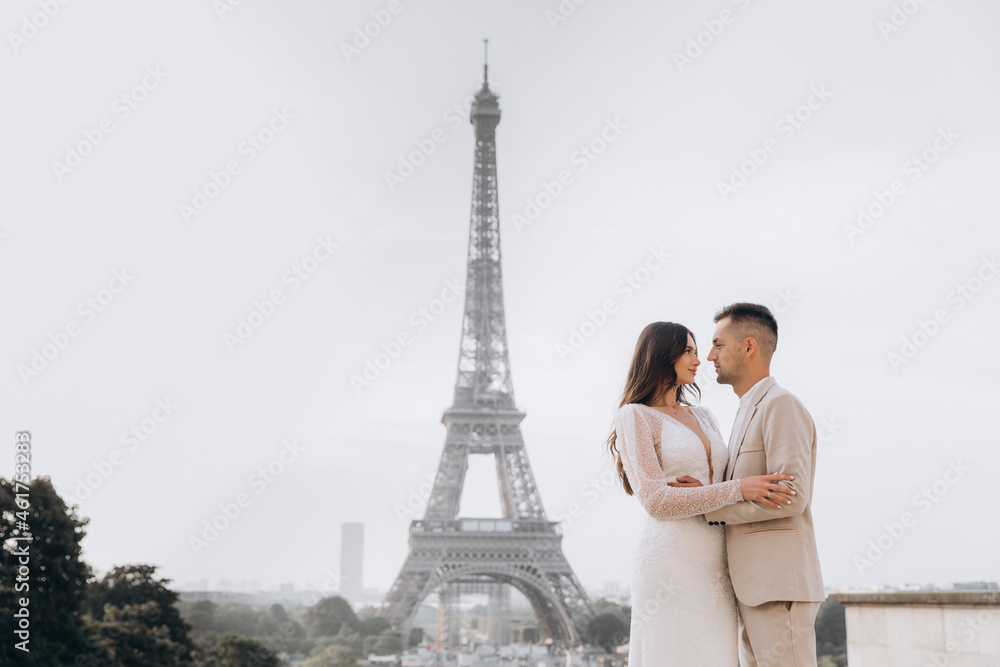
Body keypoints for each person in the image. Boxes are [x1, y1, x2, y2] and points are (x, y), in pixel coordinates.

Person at [607, 321, 795, 665]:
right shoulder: (635, 416)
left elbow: (720, 483)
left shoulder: (706, 416)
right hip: (670, 558)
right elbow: (656, 501)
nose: (700, 359)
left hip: (719, 559)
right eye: (689, 351)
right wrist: (738, 489)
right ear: (663, 355)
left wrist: (721, 490)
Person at [702, 302, 825, 667]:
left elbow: (791, 498)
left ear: (749, 346)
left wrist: (708, 506)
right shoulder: (745, 411)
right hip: (755, 588)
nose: (709, 356)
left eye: (718, 344)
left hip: (777, 587)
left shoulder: (780, 405)